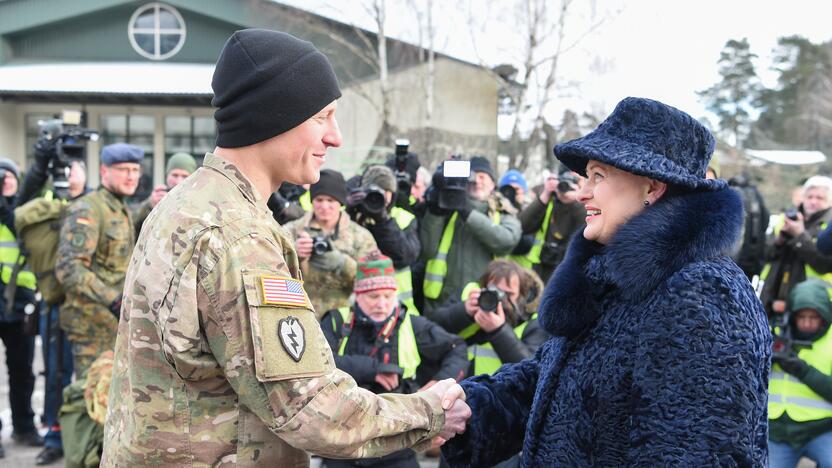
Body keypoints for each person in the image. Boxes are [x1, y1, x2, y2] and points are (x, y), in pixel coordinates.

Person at [102, 29, 469, 466]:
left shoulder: (188, 204)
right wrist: (430, 412)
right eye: (323, 116)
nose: (336, 137)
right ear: (274, 116)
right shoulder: (239, 237)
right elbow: (311, 411)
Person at [442, 97, 771, 466]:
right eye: (585, 177)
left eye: (598, 176)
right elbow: (555, 383)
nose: (582, 191)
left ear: (652, 188)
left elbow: (697, 452)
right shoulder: (613, 281)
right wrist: (468, 408)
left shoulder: (701, 293)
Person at [320, 252, 469, 468]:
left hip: (398, 442)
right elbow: (321, 364)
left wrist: (440, 383)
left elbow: (456, 348)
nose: (381, 304)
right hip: (343, 440)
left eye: (388, 296)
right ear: (358, 296)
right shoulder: (336, 320)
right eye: (373, 297)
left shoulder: (410, 323)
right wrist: (374, 370)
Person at [55, 143, 141, 379]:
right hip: (92, 326)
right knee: (93, 400)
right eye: (123, 169)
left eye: (135, 170)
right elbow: (69, 268)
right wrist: (113, 299)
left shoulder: (119, 207)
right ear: (104, 171)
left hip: (115, 325)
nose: (131, 176)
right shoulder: (89, 208)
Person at [34, 160, 88, 466]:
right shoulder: (45, 199)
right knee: (55, 374)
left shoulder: (91, 202)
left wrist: (81, 191)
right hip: (54, 304)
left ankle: (79, 438)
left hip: (83, 310)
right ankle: (53, 437)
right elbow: (23, 203)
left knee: (86, 376)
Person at [420, 156, 522, 316]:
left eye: (483, 177)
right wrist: (435, 210)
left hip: (485, 302)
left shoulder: (503, 212)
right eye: (472, 176)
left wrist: (467, 212)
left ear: (493, 184)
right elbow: (427, 250)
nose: (477, 181)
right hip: (441, 303)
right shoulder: (446, 210)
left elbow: (506, 241)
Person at [430, 259, 548, 377]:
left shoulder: (534, 322)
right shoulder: (468, 294)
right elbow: (431, 328)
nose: (500, 299)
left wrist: (499, 331)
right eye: (494, 291)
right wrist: (463, 311)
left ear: (522, 295)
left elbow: (530, 370)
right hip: (459, 384)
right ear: (484, 286)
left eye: (508, 294)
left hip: (499, 391)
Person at [285, 169, 379, 316]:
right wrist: (293, 255)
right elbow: (273, 275)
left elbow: (373, 282)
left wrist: (342, 263)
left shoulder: (360, 236)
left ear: (340, 202)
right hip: (301, 316)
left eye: (330, 201)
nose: (324, 207)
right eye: (319, 200)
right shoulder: (291, 231)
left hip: (343, 318)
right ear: (312, 201)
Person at [0, 158, 42, 457]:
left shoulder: (25, 210)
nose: (6, 180)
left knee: (23, 372)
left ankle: (24, 427)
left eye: (10, 176)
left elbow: (15, 217)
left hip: (21, 306)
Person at [768, 279, 832, 467]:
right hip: (777, 433)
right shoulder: (775, 333)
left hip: (821, 429)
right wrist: (767, 359)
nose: (806, 323)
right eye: (801, 317)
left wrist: (802, 370)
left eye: (813, 317)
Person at [347, 165, 421, 314]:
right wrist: (348, 213)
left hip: (397, 306)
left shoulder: (404, 218)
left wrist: (383, 220)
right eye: (373, 191)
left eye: (385, 192)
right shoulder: (354, 217)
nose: (381, 196)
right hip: (355, 303)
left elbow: (405, 256)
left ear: (392, 194)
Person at [761, 176, 832, 314]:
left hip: (812, 303)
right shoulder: (785, 219)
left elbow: (824, 264)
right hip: (771, 296)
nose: (813, 202)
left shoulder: (829, 228)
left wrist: (799, 237)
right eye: (809, 197)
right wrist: (779, 239)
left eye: (819, 198)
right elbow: (764, 255)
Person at [513, 171, 584, 282]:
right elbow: (521, 226)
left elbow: (585, 233)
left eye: (573, 180)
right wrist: (544, 196)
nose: (565, 185)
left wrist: (578, 201)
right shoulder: (550, 199)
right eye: (564, 179)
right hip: (539, 268)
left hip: (568, 271)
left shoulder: (587, 203)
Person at [134, 151, 197, 232]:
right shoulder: (157, 198)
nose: (178, 181)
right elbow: (133, 226)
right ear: (167, 176)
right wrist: (150, 205)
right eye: (175, 175)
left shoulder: (199, 201)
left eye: (185, 176)